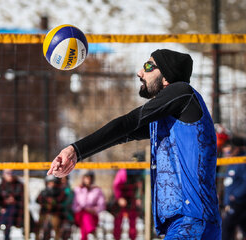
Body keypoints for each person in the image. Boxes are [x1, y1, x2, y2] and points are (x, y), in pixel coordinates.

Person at [48, 49, 222, 239]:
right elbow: (124, 133)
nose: (140, 72)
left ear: (166, 78)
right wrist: (77, 155)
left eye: (148, 66)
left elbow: (128, 122)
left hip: (193, 222)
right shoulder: (169, 119)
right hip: (182, 224)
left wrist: (74, 149)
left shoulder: (183, 93)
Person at [221, 137, 246, 240]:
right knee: (242, 225)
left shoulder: (242, 160)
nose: (227, 153)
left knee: (227, 227)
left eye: (229, 150)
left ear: (236, 148)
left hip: (238, 202)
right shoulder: (232, 161)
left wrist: (235, 195)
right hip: (231, 202)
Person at [0, 169, 24, 240]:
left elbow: (24, 200)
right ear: (3, 174)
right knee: (8, 214)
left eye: (12, 173)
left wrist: (14, 201)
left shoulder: (19, 186)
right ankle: (5, 233)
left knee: (11, 210)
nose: (10, 175)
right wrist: (1, 209)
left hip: (17, 213)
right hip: (1, 212)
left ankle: (0, 225)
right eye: (8, 173)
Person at [72, 171, 105, 240]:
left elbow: (101, 205)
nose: (88, 180)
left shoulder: (97, 190)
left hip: (93, 215)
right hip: (79, 214)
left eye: (90, 178)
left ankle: (85, 236)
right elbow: (74, 204)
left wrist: (94, 210)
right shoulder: (78, 189)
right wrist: (82, 208)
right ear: (83, 178)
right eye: (86, 178)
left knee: (86, 219)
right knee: (85, 215)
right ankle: (92, 231)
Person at [111, 168, 143, 240]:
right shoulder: (123, 172)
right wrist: (119, 198)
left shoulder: (141, 171)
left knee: (133, 222)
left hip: (132, 199)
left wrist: (138, 198)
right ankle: (116, 238)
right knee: (118, 221)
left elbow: (140, 187)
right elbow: (116, 185)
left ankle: (132, 238)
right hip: (121, 199)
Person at [35, 175, 65, 240]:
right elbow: (37, 200)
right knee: (39, 228)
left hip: (55, 213)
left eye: (53, 182)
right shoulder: (43, 192)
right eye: (49, 182)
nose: (51, 184)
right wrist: (46, 202)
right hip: (44, 213)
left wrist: (53, 202)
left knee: (57, 228)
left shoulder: (59, 191)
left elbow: (61, 200)